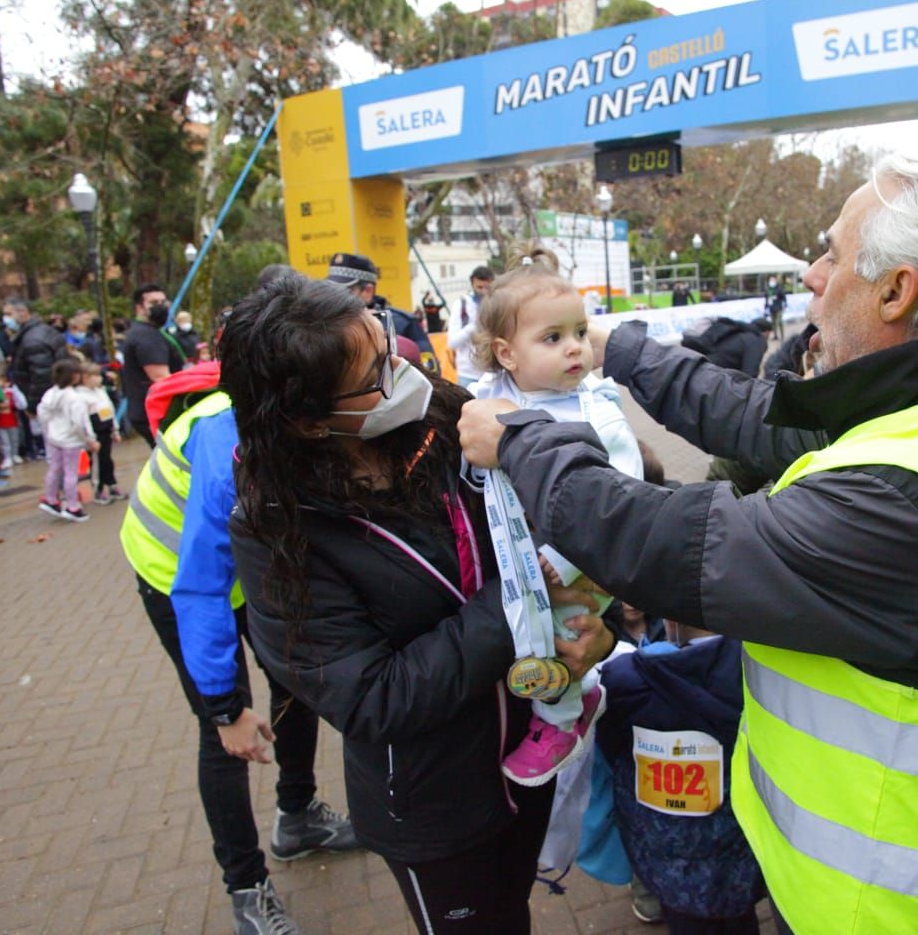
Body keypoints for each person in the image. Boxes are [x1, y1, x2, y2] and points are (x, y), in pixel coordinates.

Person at [460, 153, 918, 932]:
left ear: (895, 289)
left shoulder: (899, 497)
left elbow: (672, 545)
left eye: (833, 255)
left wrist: (523, 442)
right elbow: (757, 414)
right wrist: (617, 349)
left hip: (905, 907)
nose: (812, 274)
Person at [219, 275, 614, 934]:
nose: (402, 368)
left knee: (512, 913)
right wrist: (524, 601)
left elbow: (556, 502)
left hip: (527, 750)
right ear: (308, 418)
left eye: (387, 342)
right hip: (436, 805)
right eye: (375, 370)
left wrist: (592, 622)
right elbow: (374, 697)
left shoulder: (439, 418)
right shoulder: (277, 529)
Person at [119, 297, 359, 935]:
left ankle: (299, 815)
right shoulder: (229, 447)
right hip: (176, 573)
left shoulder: (305, 409)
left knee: (295, 683)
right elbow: (199, 587)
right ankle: (246, 884)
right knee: (223, 735)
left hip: (246, 565)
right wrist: (225, 706)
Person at [468, 249, 643, 786]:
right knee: (526, 632)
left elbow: (622, 494)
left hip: (584, 565)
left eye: (580, 332)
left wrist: (563, 561)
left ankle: (565, 718)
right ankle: (572, 697)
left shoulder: (597, 410)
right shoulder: (488, 399)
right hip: (521, 557)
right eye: (553, 338)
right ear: (507, 354)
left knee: (566, 632)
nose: (575, 348)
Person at [596, 622, 766, 934]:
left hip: (666, 856)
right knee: (739, 918)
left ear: (668, 622)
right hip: (738, 843)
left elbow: (611, 752)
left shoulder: (624, 680)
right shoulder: (759, 672)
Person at [326, 252, 435, 364]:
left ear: (368, 291)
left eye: (343, 291)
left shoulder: (404, 324)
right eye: (332, 289)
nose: (335, 296)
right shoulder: (325, 323)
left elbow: (429, 372)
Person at [120, 283, 184, 446]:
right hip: (156, 413)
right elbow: (161, 378)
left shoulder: (149, 332)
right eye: (154, 303)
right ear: (139, 308)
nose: (161, 307)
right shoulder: (145, 336)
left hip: (149, 411)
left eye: (163, 302)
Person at [7, 295, 68, 460]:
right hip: (58, 397)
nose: (6, 319)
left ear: (23, 312)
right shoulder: (42, 332)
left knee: (56, 451)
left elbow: (41, 375)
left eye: (9, 313)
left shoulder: (33, 339)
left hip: (48, 402)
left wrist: (34, 405)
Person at [36, 358, 97, 522]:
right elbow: (80, 423)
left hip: (54, 437)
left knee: (55, 468)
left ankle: (51, 499)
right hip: (70, 440)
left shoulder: (51, 393)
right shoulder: (74, 398)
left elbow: (42, 413)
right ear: (74, 376)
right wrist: (89, 439)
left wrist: (50, 429)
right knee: (71, 473)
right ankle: (72, 506)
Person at [77, 362, 123, 504]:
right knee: (97, 462)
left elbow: (110, 410)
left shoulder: (101, 391)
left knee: (107, 460)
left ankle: (111, 484)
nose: (99, 378)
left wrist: (115, 429)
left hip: (107, 429)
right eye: (95, 375)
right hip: (96, 433)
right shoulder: (80, 396)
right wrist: (90, 439)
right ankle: (99, 489)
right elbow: (83, 419)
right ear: (85, 377)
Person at [445, 265, 495, 387]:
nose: (483, 291)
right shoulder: (461, 305)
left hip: (493, 373)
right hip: (468, 374)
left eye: (487, 288)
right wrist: (475, 326)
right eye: (479, 287)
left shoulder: (497, 304)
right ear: (472, 284)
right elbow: (452, 342)